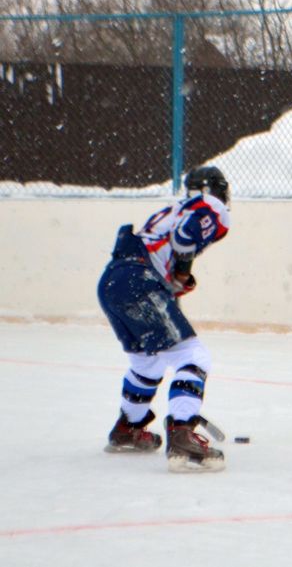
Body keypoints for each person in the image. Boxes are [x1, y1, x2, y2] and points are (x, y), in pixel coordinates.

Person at [97, 166, 231, 472]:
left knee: (148, 363)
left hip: (112, 281)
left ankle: (127, 429)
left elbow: (163, 248)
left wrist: (174, 279)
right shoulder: (212, 206)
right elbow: (185, 238)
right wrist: (182, 272)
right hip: (140, 282)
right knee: (192, 356)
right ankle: (182, 432)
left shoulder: (173, 209)